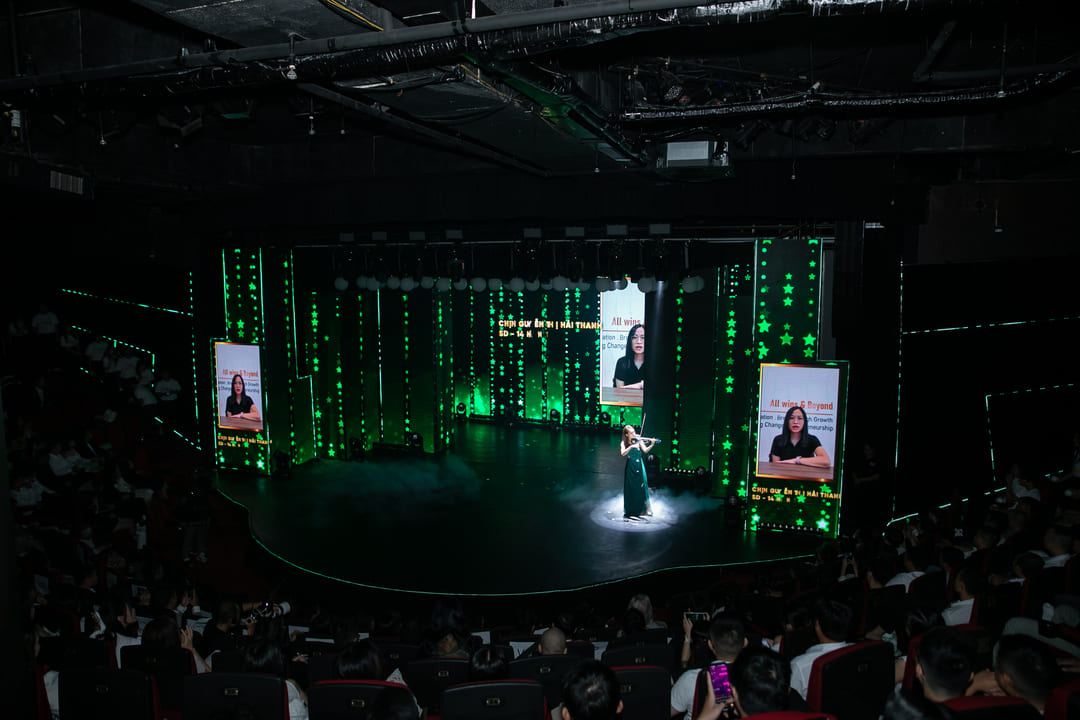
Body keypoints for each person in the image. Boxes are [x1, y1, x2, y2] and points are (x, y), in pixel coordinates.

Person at [620, 425, 654, 519]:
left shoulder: (638, 440)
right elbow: (623, 453)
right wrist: (631, 447)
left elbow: (645, 450)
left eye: (634, 432)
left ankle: (644, 509)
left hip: (639, 465)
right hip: (631, 467)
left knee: (641, 487)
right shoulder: (624, 443)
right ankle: (631, 510)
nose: (634, 434)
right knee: (631, 488)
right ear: (626, 434)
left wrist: (651, 444)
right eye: (631, 433)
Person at [612, 324, 644, 389]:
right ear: (630, 340)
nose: (639, 341)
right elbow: (619, 390)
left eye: (643, 337)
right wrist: (640, 385)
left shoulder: (654, 363)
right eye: (634, 337)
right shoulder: (622, 362)